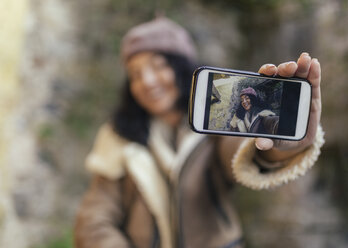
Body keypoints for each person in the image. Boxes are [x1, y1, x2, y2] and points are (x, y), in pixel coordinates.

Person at [75, 17, 324, 248]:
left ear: (182, 69)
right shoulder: (118, 135)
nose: (147, 81)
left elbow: (243, 155)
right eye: (135, 74)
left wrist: (282, 147)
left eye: (158, 66)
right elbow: (95, 217)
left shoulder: (217, 125)